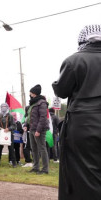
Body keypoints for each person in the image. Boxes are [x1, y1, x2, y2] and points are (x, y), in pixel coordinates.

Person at [52, 24, 101, 199]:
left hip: (83, 125)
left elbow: (62, 90)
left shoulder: (74, 60)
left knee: (82, 174)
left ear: (82, 40)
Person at [25, 84, 49, 175]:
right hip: (32, 129)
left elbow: (43, 117)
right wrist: (25, 125)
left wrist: (38, 130)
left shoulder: (42, 103)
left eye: (31, 92)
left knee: (42, 148)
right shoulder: (33, 103)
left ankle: (45, 169)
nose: (30, 94)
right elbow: (29, 116)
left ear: (34, 93)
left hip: (39, 129)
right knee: (34, 149)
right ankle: (35, 167)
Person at [0, 103, 17, 167]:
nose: (3, 108)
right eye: (2, 107)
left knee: (11, 148)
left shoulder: (10, 116)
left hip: (9, 134)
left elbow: (14, 126)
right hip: (1, 134)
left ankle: (14, 163)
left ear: (7, 107)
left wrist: (9, 128)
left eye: (5, 106)